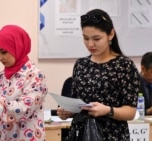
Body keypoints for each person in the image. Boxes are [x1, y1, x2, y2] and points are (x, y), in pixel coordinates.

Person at [57, 9, 141, 141]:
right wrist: (67, 111)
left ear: (111, 34)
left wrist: (108, 110)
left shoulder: (124, 66)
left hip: (111, 135)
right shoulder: (81, 64)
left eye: (97, 38)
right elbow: (76, 102)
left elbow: (130, 112)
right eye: (85, 38)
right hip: (81, 133)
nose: (90, 44)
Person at [0, 25, 48, 141]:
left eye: (3, 52)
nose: (0, 57)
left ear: (18, 47)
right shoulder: (0, 77)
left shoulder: (35, 76)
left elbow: (22, 111)